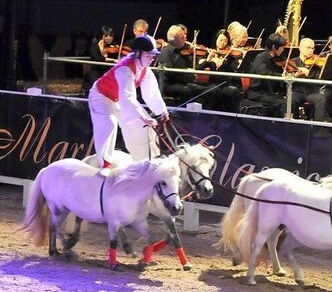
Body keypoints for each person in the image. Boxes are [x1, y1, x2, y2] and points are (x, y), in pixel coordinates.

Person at [88, 35, 168, 177]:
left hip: (117, 99)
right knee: (109, 123)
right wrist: (143, 117)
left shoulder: (145, 69)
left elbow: (151, 93)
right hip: (100, 97)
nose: (152, 59)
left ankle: (145, 163)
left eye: (152, 55)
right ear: (138, 54)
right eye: (148, 55)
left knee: (140, 125)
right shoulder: (124, 69)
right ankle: (105, 165)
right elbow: (128, 97)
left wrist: (162, 111)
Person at [158, 24, 240, 112]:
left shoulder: (184, 52)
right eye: (182, 37)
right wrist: (186, 72)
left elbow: (194, 68)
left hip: (185, 83)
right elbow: (167, 72)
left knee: (213, 89)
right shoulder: (166, 52)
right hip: (171, 85)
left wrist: (193, 68)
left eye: (185, 36)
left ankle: (206, 115)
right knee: (188, 91)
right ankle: (193, 115)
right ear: (175, 39)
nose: (186, 38)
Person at [247, 33, 289, 116]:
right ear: (274, 47)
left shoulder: (275, 60)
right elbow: (264, 73)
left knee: (290, 100)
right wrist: (280, 76)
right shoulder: (260, 57)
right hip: (257, 93)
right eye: (281, 48)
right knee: (283, 103)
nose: (283, 50)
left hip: (269, 93)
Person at [292, 38, 327, 121]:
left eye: (312, 48)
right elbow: (287, 79)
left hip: (311, 92)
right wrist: (297, 75)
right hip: (297, 92)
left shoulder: (316, 63)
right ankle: (291, 123)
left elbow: (319, 82)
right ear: (300, 48)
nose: (311, 51)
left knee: (321, 99)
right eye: (308, 48)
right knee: (290, 99)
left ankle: (317, 127)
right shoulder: (293, 62)